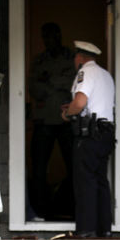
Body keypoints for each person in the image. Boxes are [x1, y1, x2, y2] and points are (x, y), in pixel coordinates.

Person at [61, 41, 115, 238]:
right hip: (106, 132)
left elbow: (80, 101)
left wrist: (68, 113)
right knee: (101, 180)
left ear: (80, 57)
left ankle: (86, 230)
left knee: (85, 181)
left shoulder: (86, 72)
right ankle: (104, 228)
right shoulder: (106, 75)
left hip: (90, 134)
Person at [28, 22, 76, 220]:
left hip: (66, 122)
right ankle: (40, 210)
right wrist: (55, 86)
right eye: (45, 36)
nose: (49, 40)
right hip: (44, 120)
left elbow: (73, 83)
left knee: (74, 166)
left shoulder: (71, 58)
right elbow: (33, 87)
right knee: (39, 168)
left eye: (52, 36)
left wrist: (49, 82)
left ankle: (72, 208)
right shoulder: (39, 60)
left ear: (59, 35)